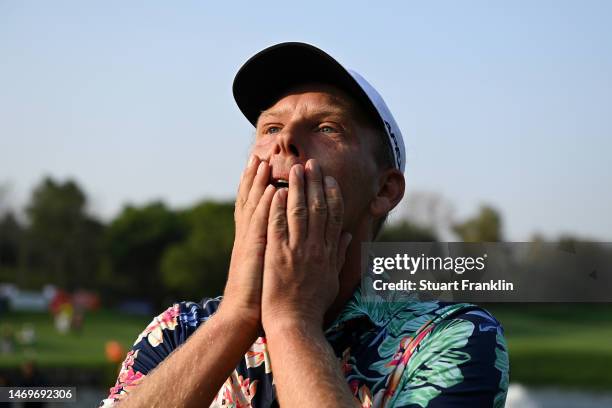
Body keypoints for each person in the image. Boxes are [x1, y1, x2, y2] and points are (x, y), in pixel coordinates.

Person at [99, 42, 509, 408]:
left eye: (326, 127)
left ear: (384, 190)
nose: (285, 140)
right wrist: (236, 315)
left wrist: (291, 321)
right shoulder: (176, 331)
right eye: (271, 127)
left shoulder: (451, 337)